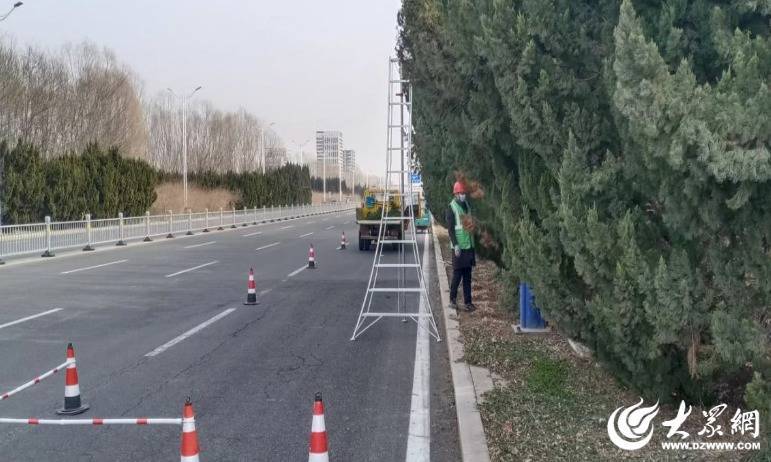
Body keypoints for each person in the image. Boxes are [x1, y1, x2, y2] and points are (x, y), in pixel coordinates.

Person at [446, 181, 476, 312]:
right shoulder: (451, 208)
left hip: (468, 246)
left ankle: (468, 302)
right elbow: (451, 229)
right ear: (456, 194)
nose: (463, 195)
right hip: (458, 248)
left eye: (464, 193)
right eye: (461, 193)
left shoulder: (467, 206)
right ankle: (452, 300)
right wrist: (455, 245)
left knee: (467, 276)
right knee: (457, 275)